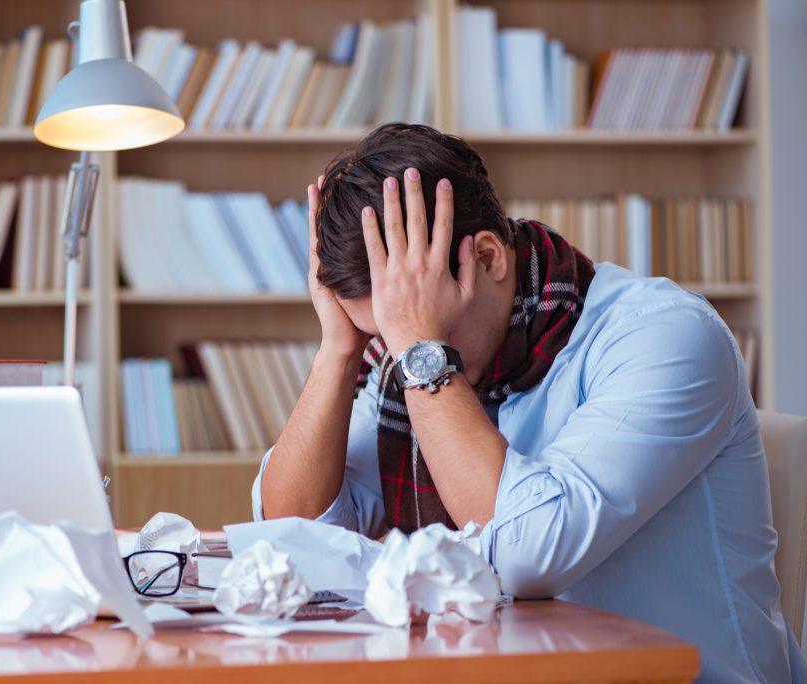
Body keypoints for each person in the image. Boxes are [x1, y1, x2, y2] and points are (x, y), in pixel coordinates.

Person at [252, 123, 805, 683]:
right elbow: (292, 530)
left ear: (488, 258)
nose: (395, 357)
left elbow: (527, 551)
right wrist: (338, 352)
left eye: (407, 328)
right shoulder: (406, 357)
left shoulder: (664, 337)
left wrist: (423, 348)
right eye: (379, 334)